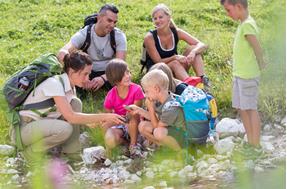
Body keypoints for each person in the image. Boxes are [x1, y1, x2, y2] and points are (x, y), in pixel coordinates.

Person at [12, 51, 124, 159]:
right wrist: (106, 116)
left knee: (75, 103)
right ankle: (30, 153)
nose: (87, 79)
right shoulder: (54, 84)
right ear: (71, 72)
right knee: (65, 129)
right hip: (23, 130)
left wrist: (95, 121)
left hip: (40, 125)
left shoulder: (70, 87)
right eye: (85, 74)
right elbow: (71, 117)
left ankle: (72, 152)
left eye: (89, 74)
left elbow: (73, 115)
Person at [220, 0, 266, 150]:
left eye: (228, 10)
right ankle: (250, 140)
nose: (227, 14)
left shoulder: (247, 25)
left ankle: (255, 144)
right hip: (239, 75)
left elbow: (257, 47)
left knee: (250, 108)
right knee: (242, 108)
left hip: (248, 76)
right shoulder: (243, 23)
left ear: (238, 6)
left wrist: (261, 63)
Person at [58, 4, 127, 92]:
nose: (112, 25)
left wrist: (103, 78)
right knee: (70, 79)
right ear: (99, 18)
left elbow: (120, 65)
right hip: (88, 71)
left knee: (123, 76)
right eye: (109, 20)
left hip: (110, 72)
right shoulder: (84, 34)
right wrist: (79, 73)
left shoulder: (119, 36)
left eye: (115, 22)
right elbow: (62, 52)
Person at [144, 3, 208, 83]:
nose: (157, 20)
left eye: (160, 17)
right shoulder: (149, 37)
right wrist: (174, 57)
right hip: (157, 73)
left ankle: (202, 81)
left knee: (193, 48)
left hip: (176, 69)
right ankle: (192, 88)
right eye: (155, 18)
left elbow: (202, 44)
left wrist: (193, 52)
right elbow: (158, 61)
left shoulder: (176, 32)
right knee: (175, 63)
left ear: (168, 17)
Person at [129, 70, 185, 151]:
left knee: (158, 132)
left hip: (183, 137)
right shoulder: (161, 100)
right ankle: (162, 145)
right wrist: (139, 110)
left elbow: (156, 126)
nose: (145, 95)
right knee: (143, 126)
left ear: (156, 89)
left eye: (147, 91)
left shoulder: (171, 107)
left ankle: (179, 151)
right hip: (171, 131)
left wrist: (151, 108)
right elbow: (157, 118)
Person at [103, 59, 145, 158]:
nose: (128, 76)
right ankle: (125, 144)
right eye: (124, 74)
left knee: (132, 116)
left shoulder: (136, 89)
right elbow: (108, 116)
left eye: (128, 72)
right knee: (108, 131)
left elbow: (135, 111)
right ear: (115, 78)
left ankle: (133, 146)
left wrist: (124, 117)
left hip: (135, 122)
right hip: (121, 124)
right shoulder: (111, 95)